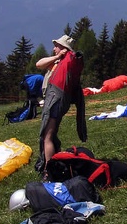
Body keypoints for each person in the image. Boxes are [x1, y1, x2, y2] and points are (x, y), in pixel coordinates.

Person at [34, 35, 87, 176]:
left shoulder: (66, 60)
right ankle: (53, 162)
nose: (54, 48)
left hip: (55, 99)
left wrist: (62, 55)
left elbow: (38, 65)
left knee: (47, 136)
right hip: (58, 99)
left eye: (56, 46)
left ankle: (49, 170)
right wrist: (57, 57)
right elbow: (39, 64)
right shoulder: (62, 61)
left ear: (64, 48)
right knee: (51, 134)